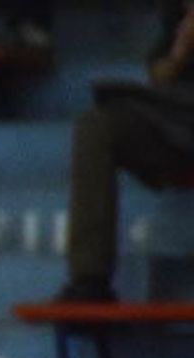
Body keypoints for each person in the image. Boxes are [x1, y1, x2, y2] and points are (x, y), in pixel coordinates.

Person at [54, 0, 194, 304]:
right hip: (180, 117)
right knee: (97, 125)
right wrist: (180, 52)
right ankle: (90, 280)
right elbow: (159, 75)